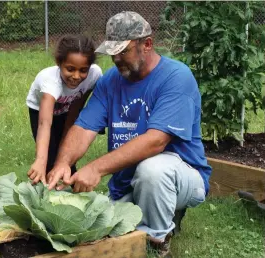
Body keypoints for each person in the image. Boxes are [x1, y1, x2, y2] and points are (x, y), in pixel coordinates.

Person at [46, 11, 212, 257]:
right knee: (96, 224)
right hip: (128, 182)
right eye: (113, 52)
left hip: (182, 176)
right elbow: (83, 127)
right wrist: (63, 164)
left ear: (147, 44)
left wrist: (96, 168)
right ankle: (151, 213)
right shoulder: (111, 81)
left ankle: (157, 240)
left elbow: (156, 141)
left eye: (123, 51)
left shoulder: (176, 78)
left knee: (153, 170)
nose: (116, 58)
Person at [26, 34, 103, 185]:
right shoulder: (50, 81)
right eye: (70, 69)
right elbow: (45, 124)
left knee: (67, 153)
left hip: (69, 109)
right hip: (41, 113)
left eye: (83, 70)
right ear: (59, 63)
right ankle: (45, 190)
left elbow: (78, 102)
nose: (76, 76)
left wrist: (67, 135)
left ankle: (68, 182)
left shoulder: (94, 75)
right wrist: (40, 161)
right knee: (49, 157)